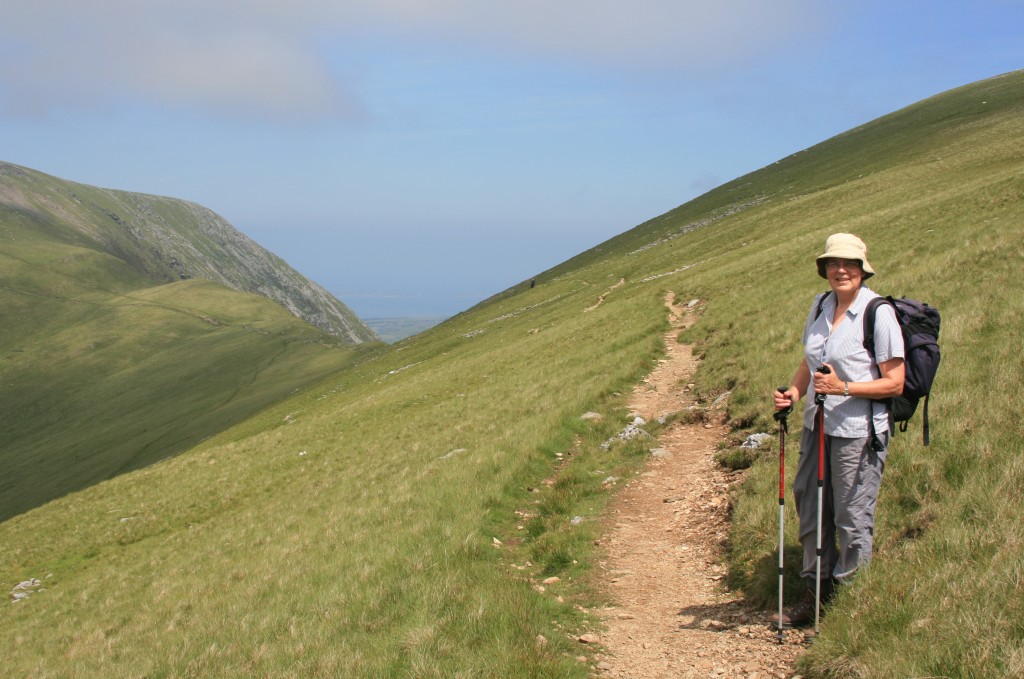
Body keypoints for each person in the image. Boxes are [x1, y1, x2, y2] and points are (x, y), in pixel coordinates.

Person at [771, 233, 905, 628]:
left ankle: (846, 610)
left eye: (849, 264)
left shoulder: (878, 313)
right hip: (817, 424)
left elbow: (894, 383)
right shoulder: (820, 305)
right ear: (824, 270)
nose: (840, 270)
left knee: (850, 516)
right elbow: (810, 360)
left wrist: (844, 387)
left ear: (863, 269)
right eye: (833, 264)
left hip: (857, 431)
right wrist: (795, 392)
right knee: (810, 510)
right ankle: (816, 596)